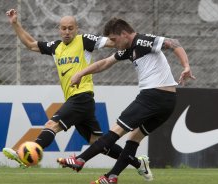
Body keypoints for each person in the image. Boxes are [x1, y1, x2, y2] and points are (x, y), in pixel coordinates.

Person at [2, 9, 151, 179]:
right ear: (59, 29)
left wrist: (138, 41)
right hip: (79, 101)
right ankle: (139, 163)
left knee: (52, 125)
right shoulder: (55, 47)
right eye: (64, 28)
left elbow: (112, 41)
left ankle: (26, 154)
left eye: (70, 28)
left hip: (82, 96)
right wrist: (15, 23)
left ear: (76, 29)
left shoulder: (84, 41)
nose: (67, 32)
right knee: (98, 143)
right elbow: (30, 44)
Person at [57, 17, 196, 184]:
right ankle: (111, 176)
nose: (114, 44)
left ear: (124, 34)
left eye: (115, 40)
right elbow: (105, 63)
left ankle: (80, 160)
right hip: (167, 102)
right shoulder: (129, 49)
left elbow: (173, 42)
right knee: (133, 139)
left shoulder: (142, 41)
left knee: (115, 131)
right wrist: (80, 73)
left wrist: (186, 66)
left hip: (153, 96)